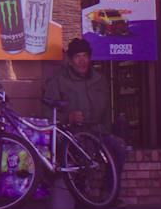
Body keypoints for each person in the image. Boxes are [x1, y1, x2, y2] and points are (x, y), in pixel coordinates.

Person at [43, 38, 130, 194]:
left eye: (85, 56)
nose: (82, 61)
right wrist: (68, 118)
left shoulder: (100, 80)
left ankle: (110, 193)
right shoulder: (58, 81)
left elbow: (106, 113)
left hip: (98, 132)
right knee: (82, 152)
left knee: (119, 147)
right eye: (77, 57)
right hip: (72, 135)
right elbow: (47, 113)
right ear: (70, 61)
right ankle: (82, 194)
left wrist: (106, 132)